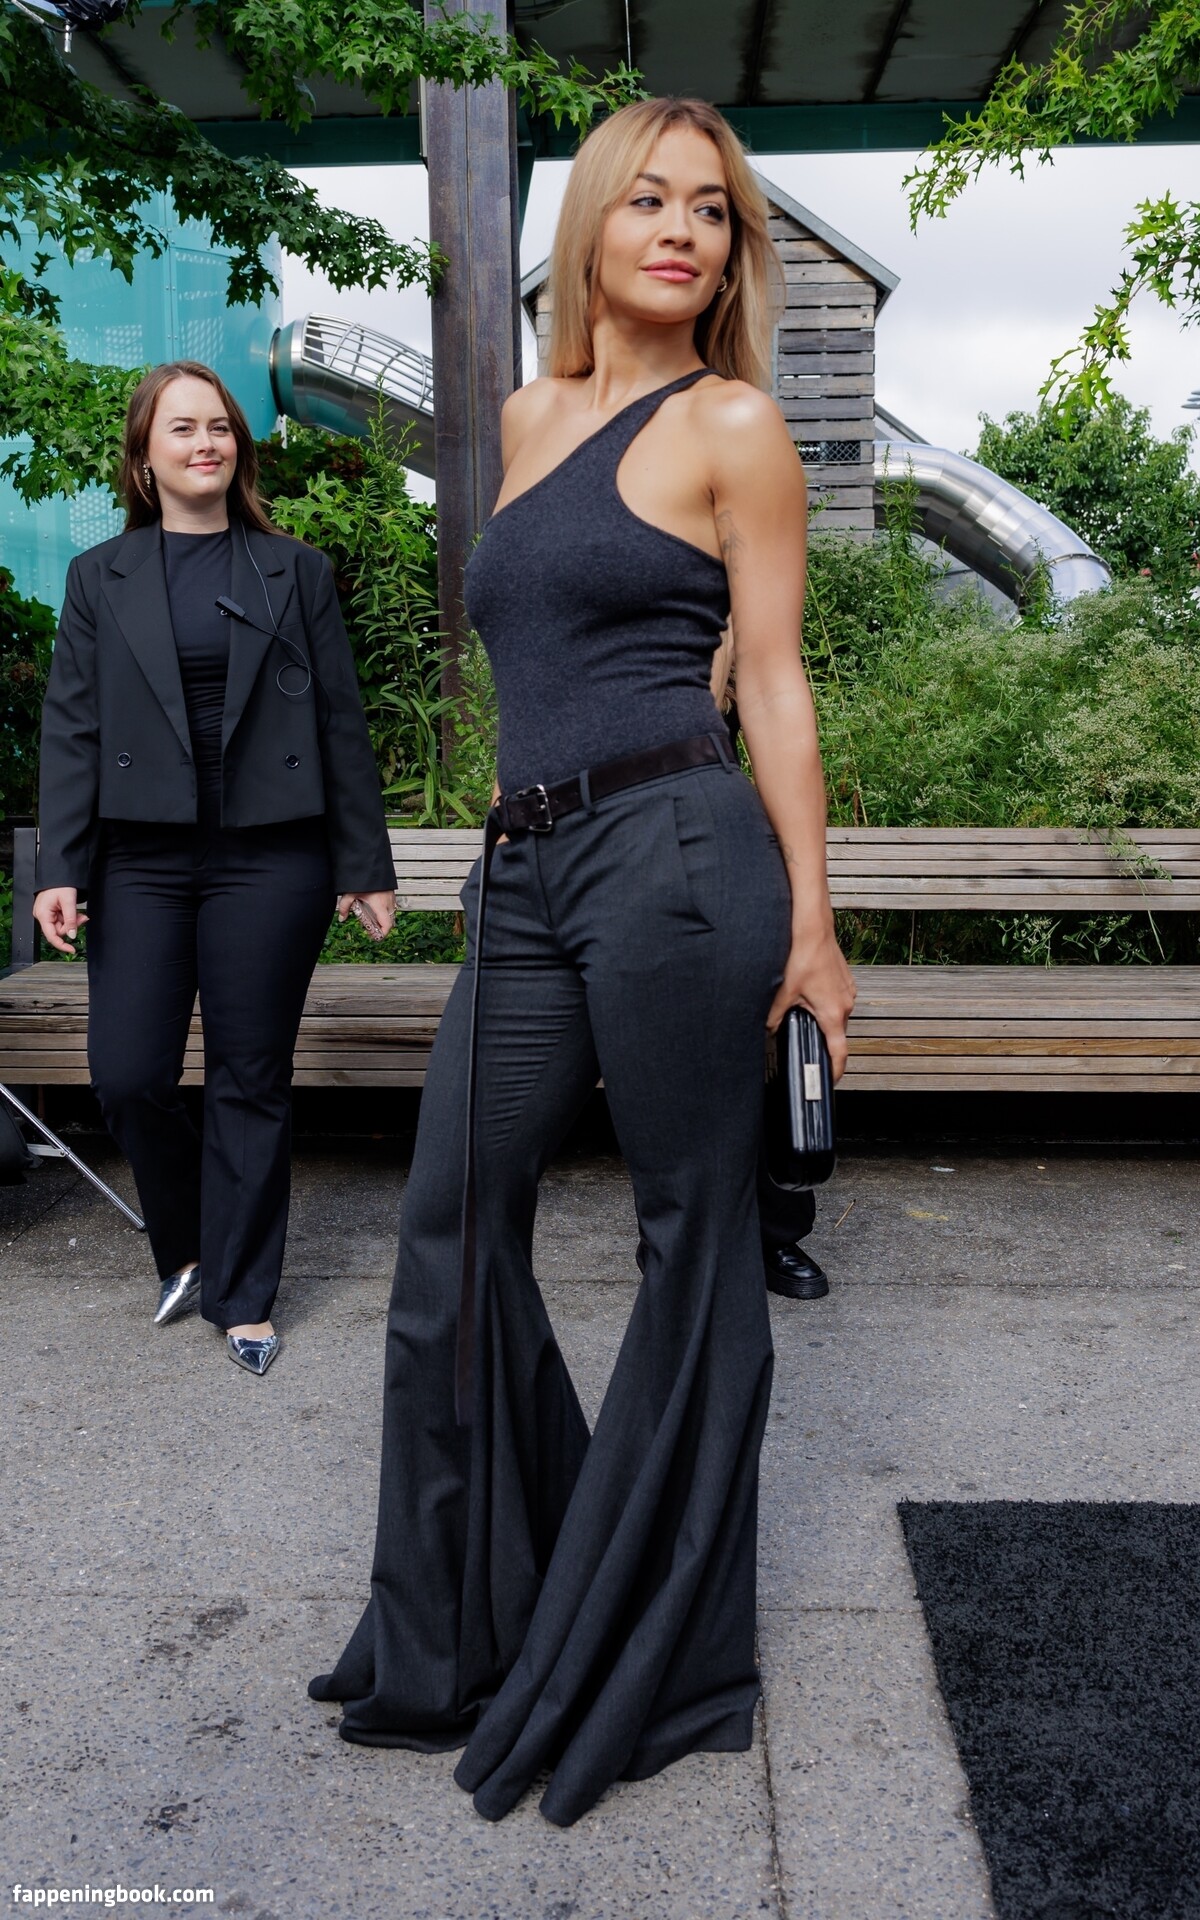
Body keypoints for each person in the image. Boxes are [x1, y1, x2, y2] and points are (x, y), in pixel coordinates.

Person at [310, 97, 855, 1823]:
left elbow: (773, 681)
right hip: (526, 865)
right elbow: (529, 656)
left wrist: (817, 924)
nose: (683, 230)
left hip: (680, 855)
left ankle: (650, 1649)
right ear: (594, 228)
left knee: (695, 1239)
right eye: (650, 201)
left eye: (714, 210)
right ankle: (465, 1620)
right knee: (452, 1222)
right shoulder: (527, 415)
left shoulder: (735, 425)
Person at [33, 361, 396, 1376]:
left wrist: (363, 862)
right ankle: (191, 1242)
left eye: (220, 427)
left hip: (269, 857)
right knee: (128, 1074)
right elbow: (72, 727)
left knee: (249, 1075)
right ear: (144, 459)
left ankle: (242, 1296)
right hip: (139, 859)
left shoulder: (294, 570)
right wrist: (60, 865)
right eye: (183, 429)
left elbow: (338, 721)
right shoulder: (99, 576)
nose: (206, 443)